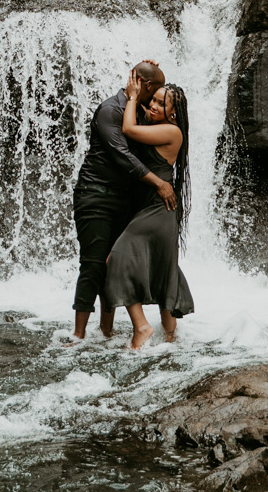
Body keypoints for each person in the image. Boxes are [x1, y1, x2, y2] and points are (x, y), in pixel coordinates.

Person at [69, 60, 177, 342]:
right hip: (96, 195)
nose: (156, 100)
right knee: (93, 264)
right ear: (147, 85)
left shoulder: (140, 113)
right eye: (156, 91)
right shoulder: (110, 109)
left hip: (126, 200)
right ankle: (78, 335)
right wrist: (159, 183)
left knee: (113, 262)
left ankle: (106, 330)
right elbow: (121, 154)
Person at [105, 72, 194, 349]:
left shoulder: (171, 131)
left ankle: (142, 328)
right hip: (155, 208)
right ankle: (171, 337)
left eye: (160, 104)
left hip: (158, 210)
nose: (152, 106)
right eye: (152, 100)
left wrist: (132, 96)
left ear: (173, 113)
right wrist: (150, 73)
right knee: (163, 267)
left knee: (116, 258)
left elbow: (129, 129)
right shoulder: (160, 124)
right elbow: (141, 114)